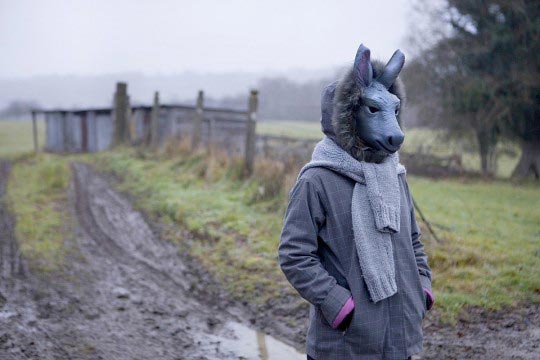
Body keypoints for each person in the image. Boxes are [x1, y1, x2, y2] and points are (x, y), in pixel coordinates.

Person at [278, 44, 434, 360]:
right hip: (344, 344)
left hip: (399, 339)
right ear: (348, 116)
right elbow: (294, 254)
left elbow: (413, 242)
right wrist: (339, 305)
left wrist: (423, 288)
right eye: (373, 111)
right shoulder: (316, 180)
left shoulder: (395, 176)